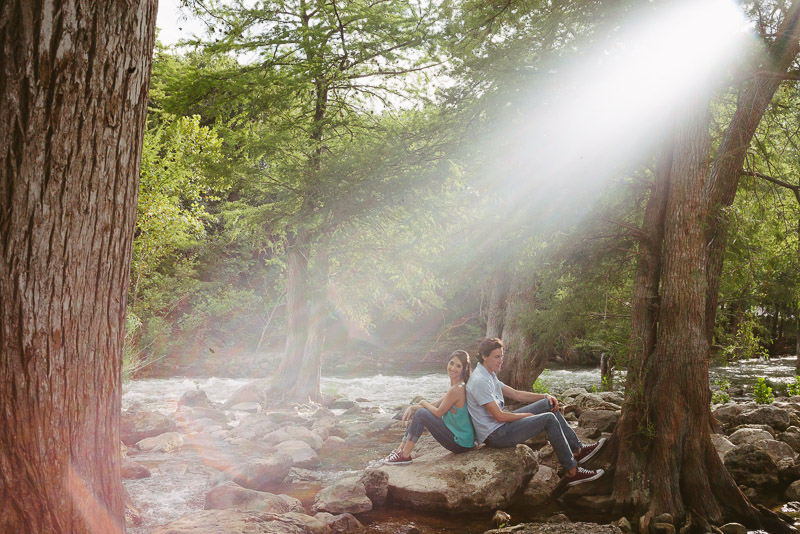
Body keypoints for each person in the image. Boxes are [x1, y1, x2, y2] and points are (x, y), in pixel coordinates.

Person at [466, 338, 605, 487]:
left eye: (501, 356)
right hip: (496, 435)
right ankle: (572, 471)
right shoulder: (480, 380)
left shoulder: (488, 373)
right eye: (496, 357)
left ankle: (577, 449)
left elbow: (515, 394)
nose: (501, 360)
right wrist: (524, 416)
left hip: (500, 426)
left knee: (547, 404)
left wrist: (545, 396)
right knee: (549, 419)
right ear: (484, 356)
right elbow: (499, 416)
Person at [381, 350, 476, 464]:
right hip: (462, 440)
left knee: (421, 414)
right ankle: (400, 450)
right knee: (420, 412)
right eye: (451, 363)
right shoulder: (458, 386)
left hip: (460, 443)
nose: (453, 368)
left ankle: (405, 455)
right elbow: (435, 404)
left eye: (458, 366)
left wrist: (422, 402)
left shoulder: (458, 388)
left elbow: (438, 412)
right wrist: (413, 407)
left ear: (464, 369)